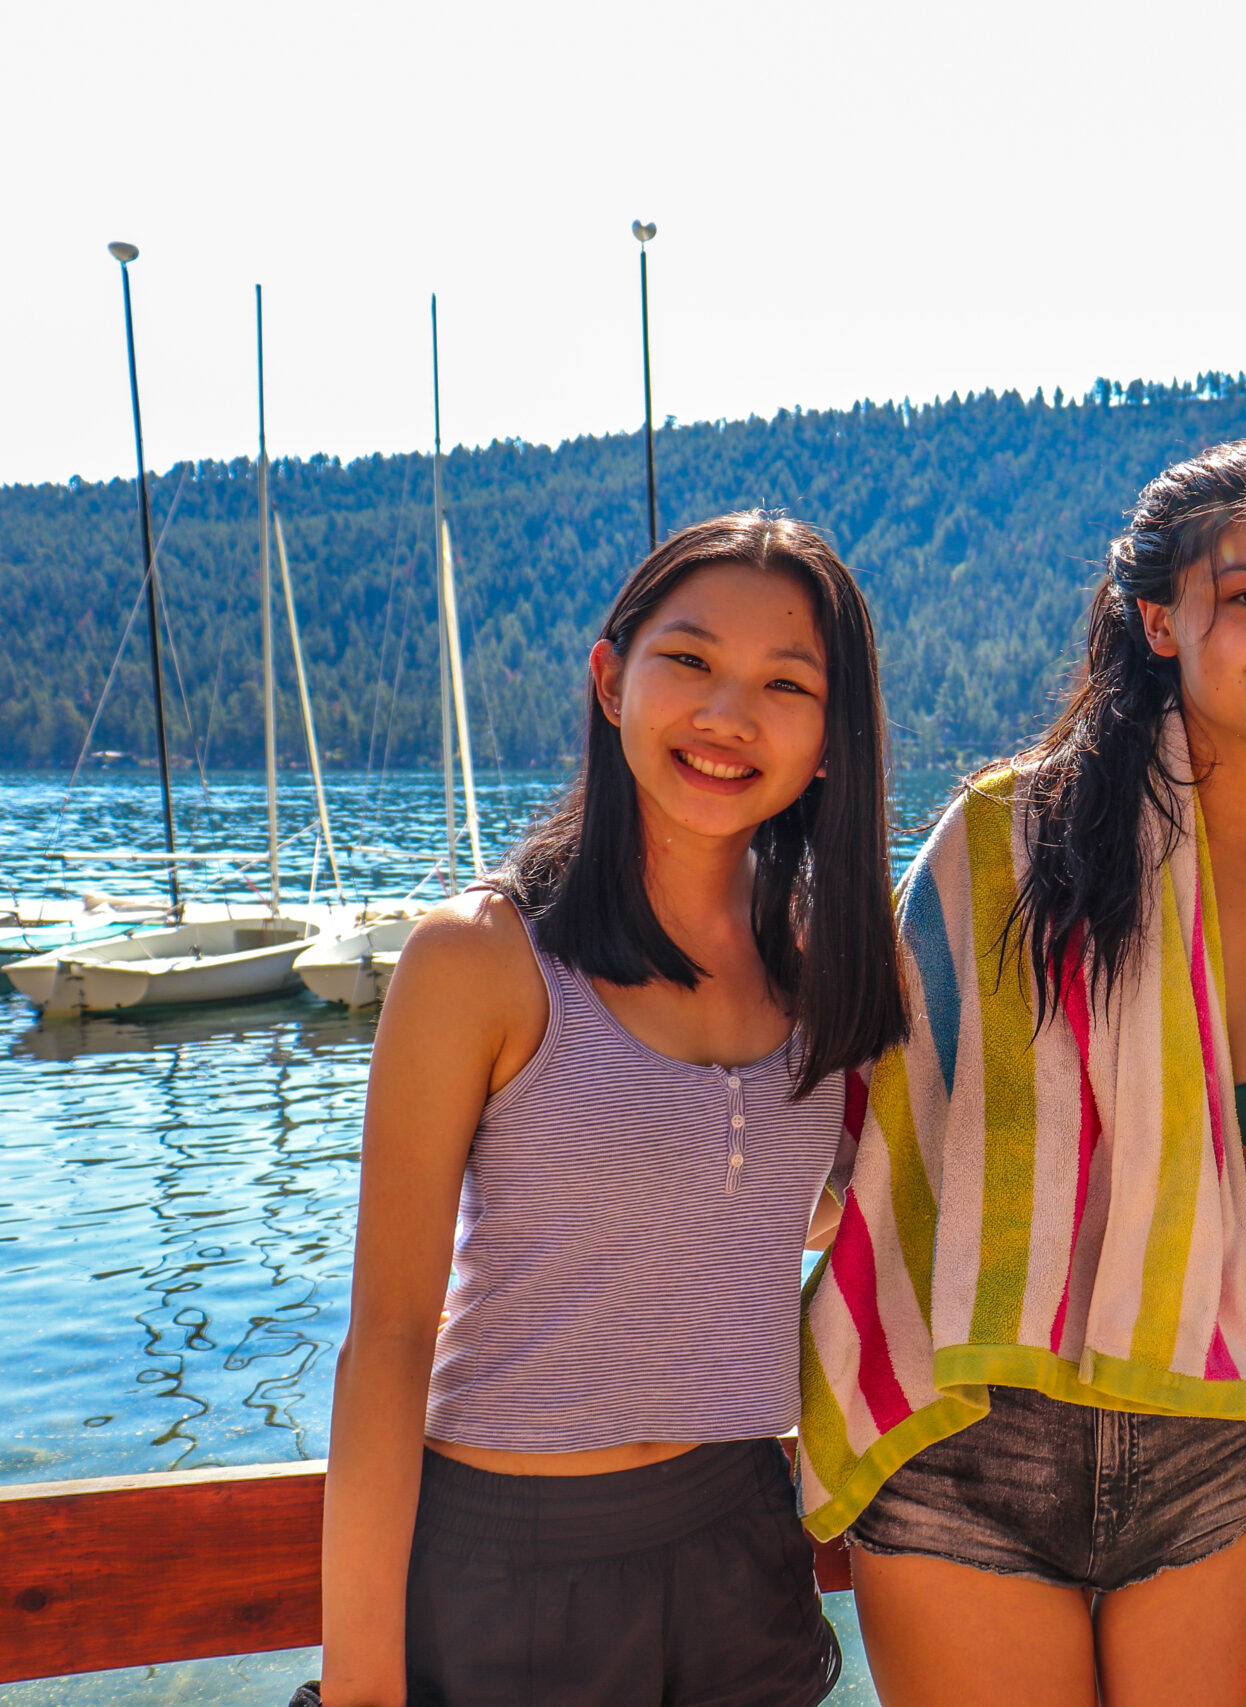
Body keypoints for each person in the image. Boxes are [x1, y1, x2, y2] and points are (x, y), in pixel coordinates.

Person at [800, 440, 1246, 1707]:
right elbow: (863, 1117)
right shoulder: (1010, 838)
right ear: (1160, 619)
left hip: (1213, 1443)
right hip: (968, 1435)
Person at [317, 514, 908, 1706]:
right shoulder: (480, 960)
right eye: (688, 661)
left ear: (830, 741)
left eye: (784, 683)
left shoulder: (830, 964)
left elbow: (789, 1221)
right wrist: (361, 1685)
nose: (727, 714)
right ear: (609, 679)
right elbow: (386, 1337)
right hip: (510, 1561)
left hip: (745, 1538)